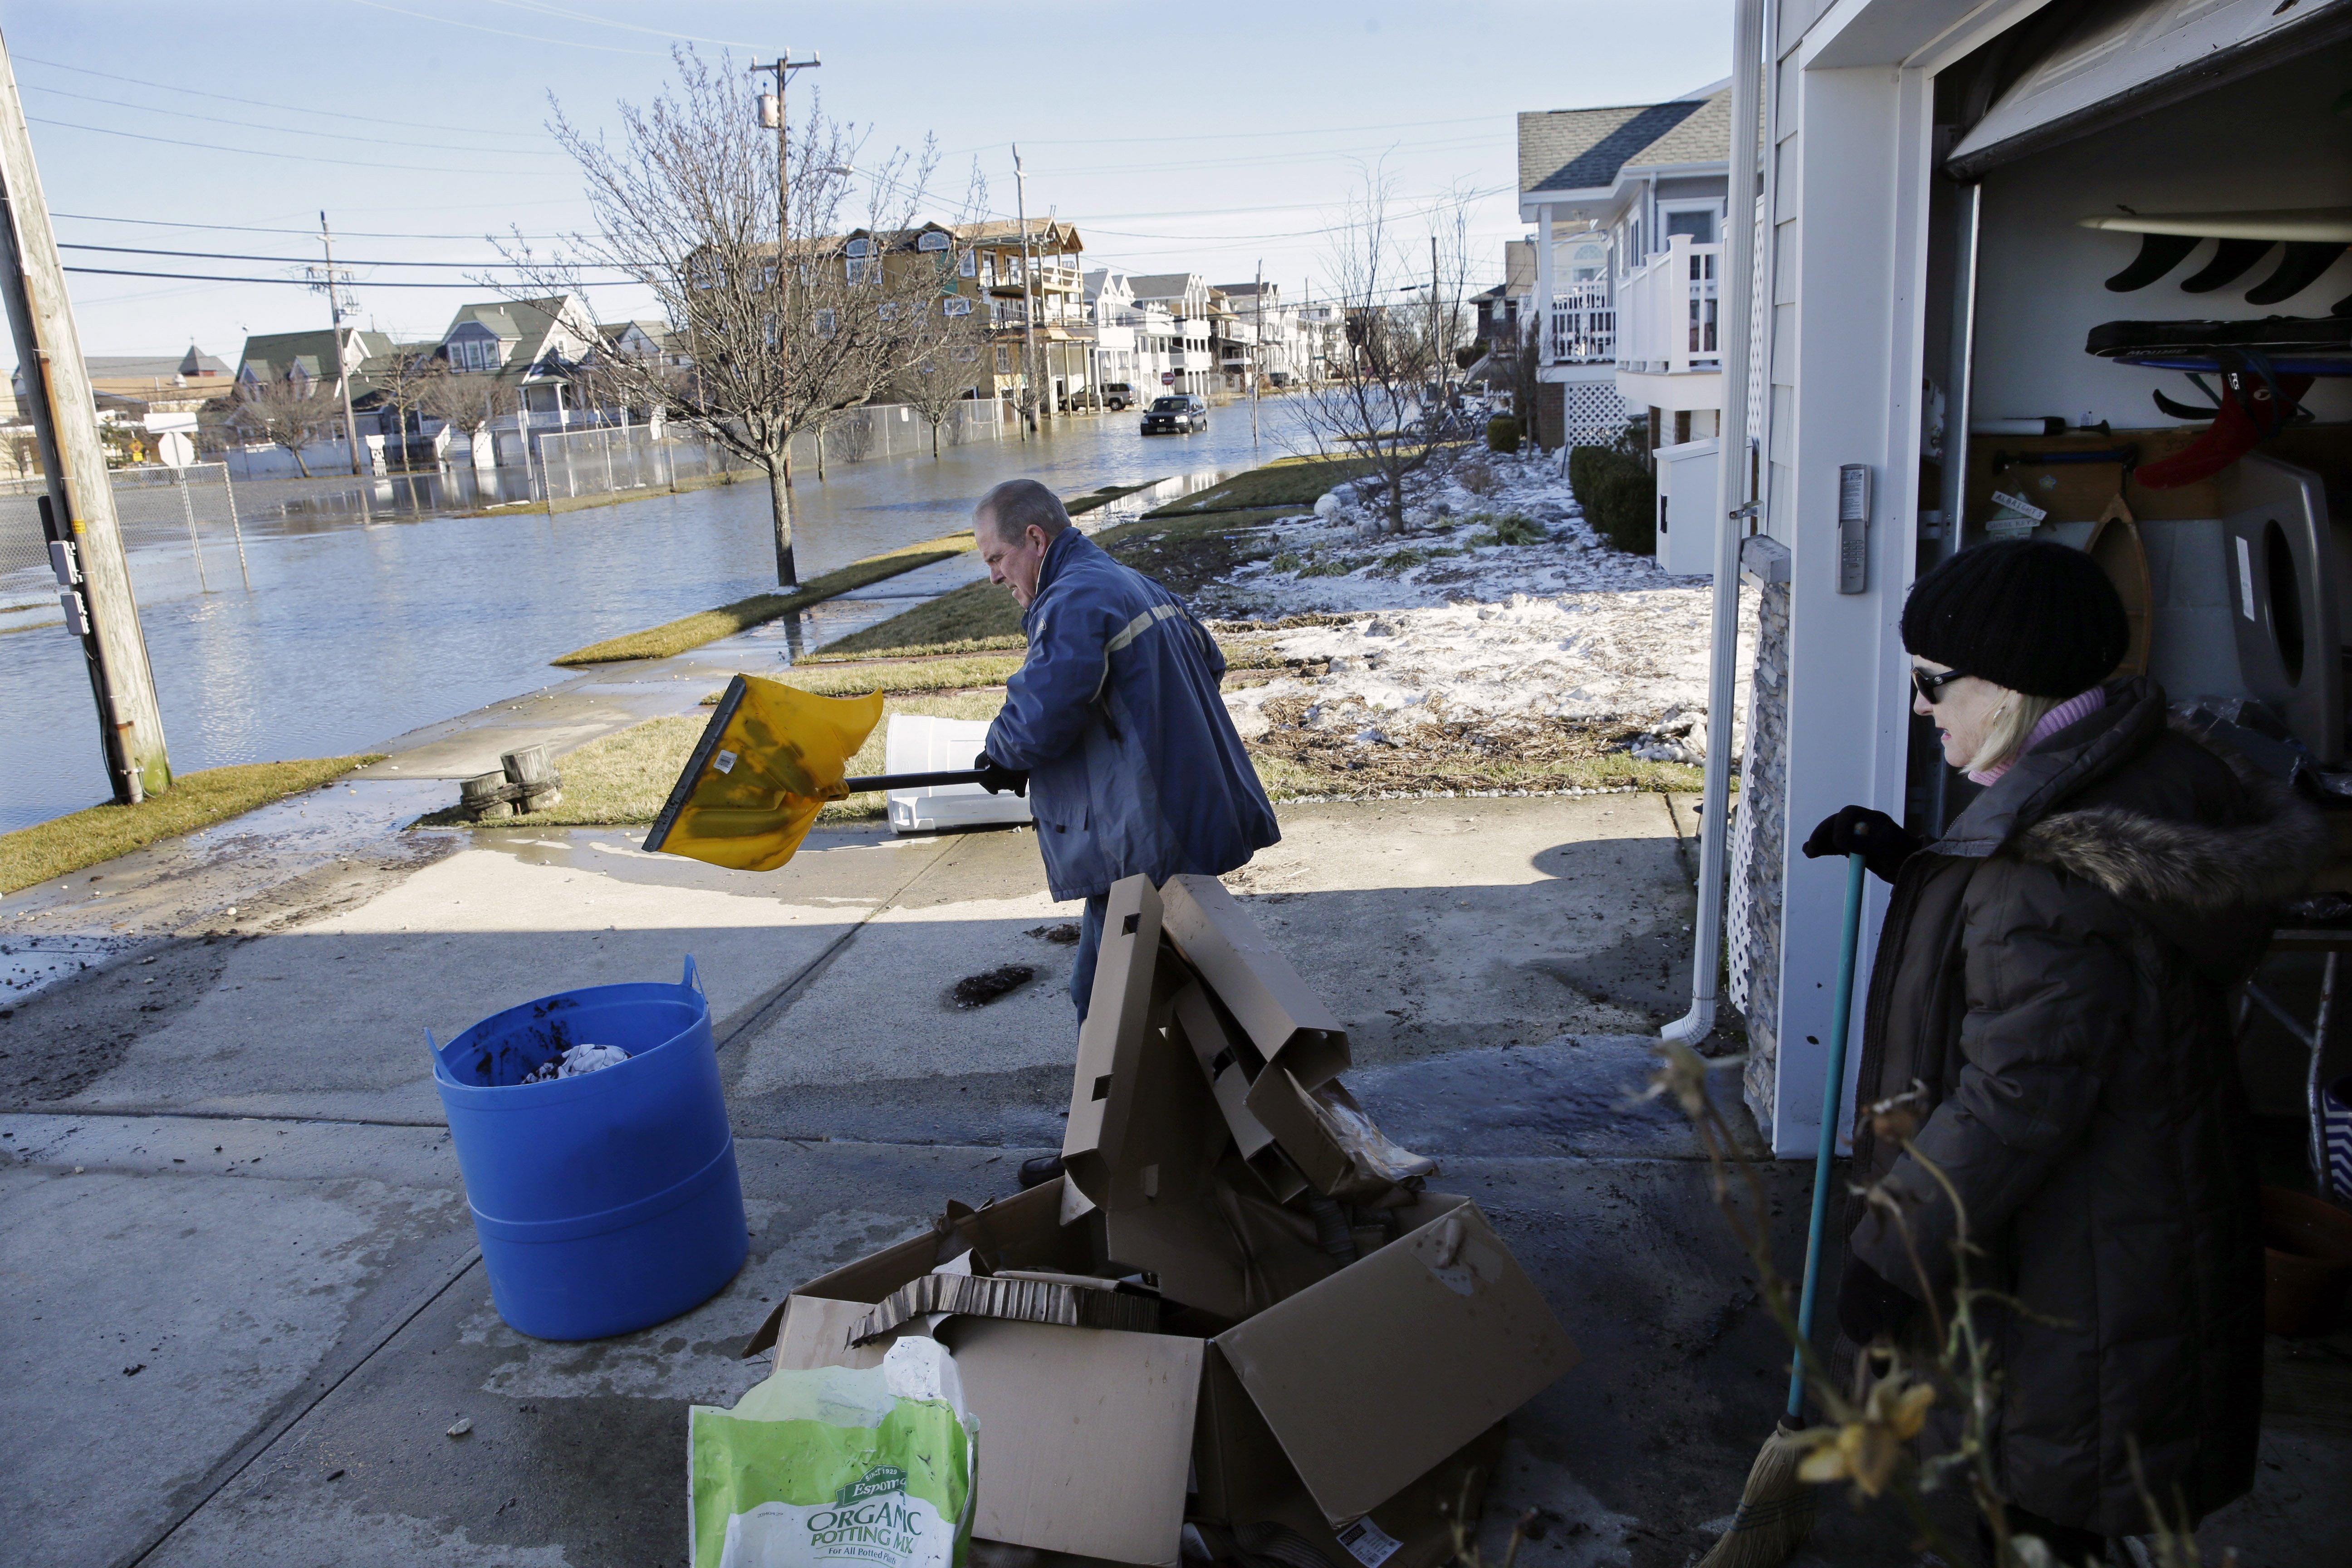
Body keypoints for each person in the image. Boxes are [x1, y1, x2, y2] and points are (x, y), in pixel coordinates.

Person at [1801, 539, 2322, 1562]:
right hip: (2134, 1228)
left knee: (2039, 1518)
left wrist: (1893, 1256)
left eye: (1931, 685)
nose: (1921, 708)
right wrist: (1926, 871)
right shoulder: (2144, 779)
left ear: (2010, 686)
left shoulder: (2048, 876)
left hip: (2071, 1276)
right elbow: (2070, 973)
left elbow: (2012, 1101)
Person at [969, 478, 1279, 1017]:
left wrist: (1002, 754)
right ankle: (1202, 1089)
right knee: (1176, 981)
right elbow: (1209, 661)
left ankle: (1127, 1102)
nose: (995, 575)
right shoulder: (1133, 583)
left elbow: (1043, 710)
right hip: (1186, 818)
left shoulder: (1071, 599)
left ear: (1036, 540)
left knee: (1102, 998)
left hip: (1141, 835)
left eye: (998, 557)